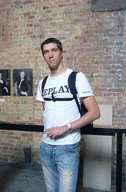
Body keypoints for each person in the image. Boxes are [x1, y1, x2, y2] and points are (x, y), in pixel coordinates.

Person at [36, 37, 100, 192]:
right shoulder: (43, 83)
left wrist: (66, 127)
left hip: (67, 147)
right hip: (46, 147)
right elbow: (47, 112)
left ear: (62, 53)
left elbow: (95, 112)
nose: (50, 55)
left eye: (54, 50)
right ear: (44, 56)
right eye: (46, 52)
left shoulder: (77, 77)